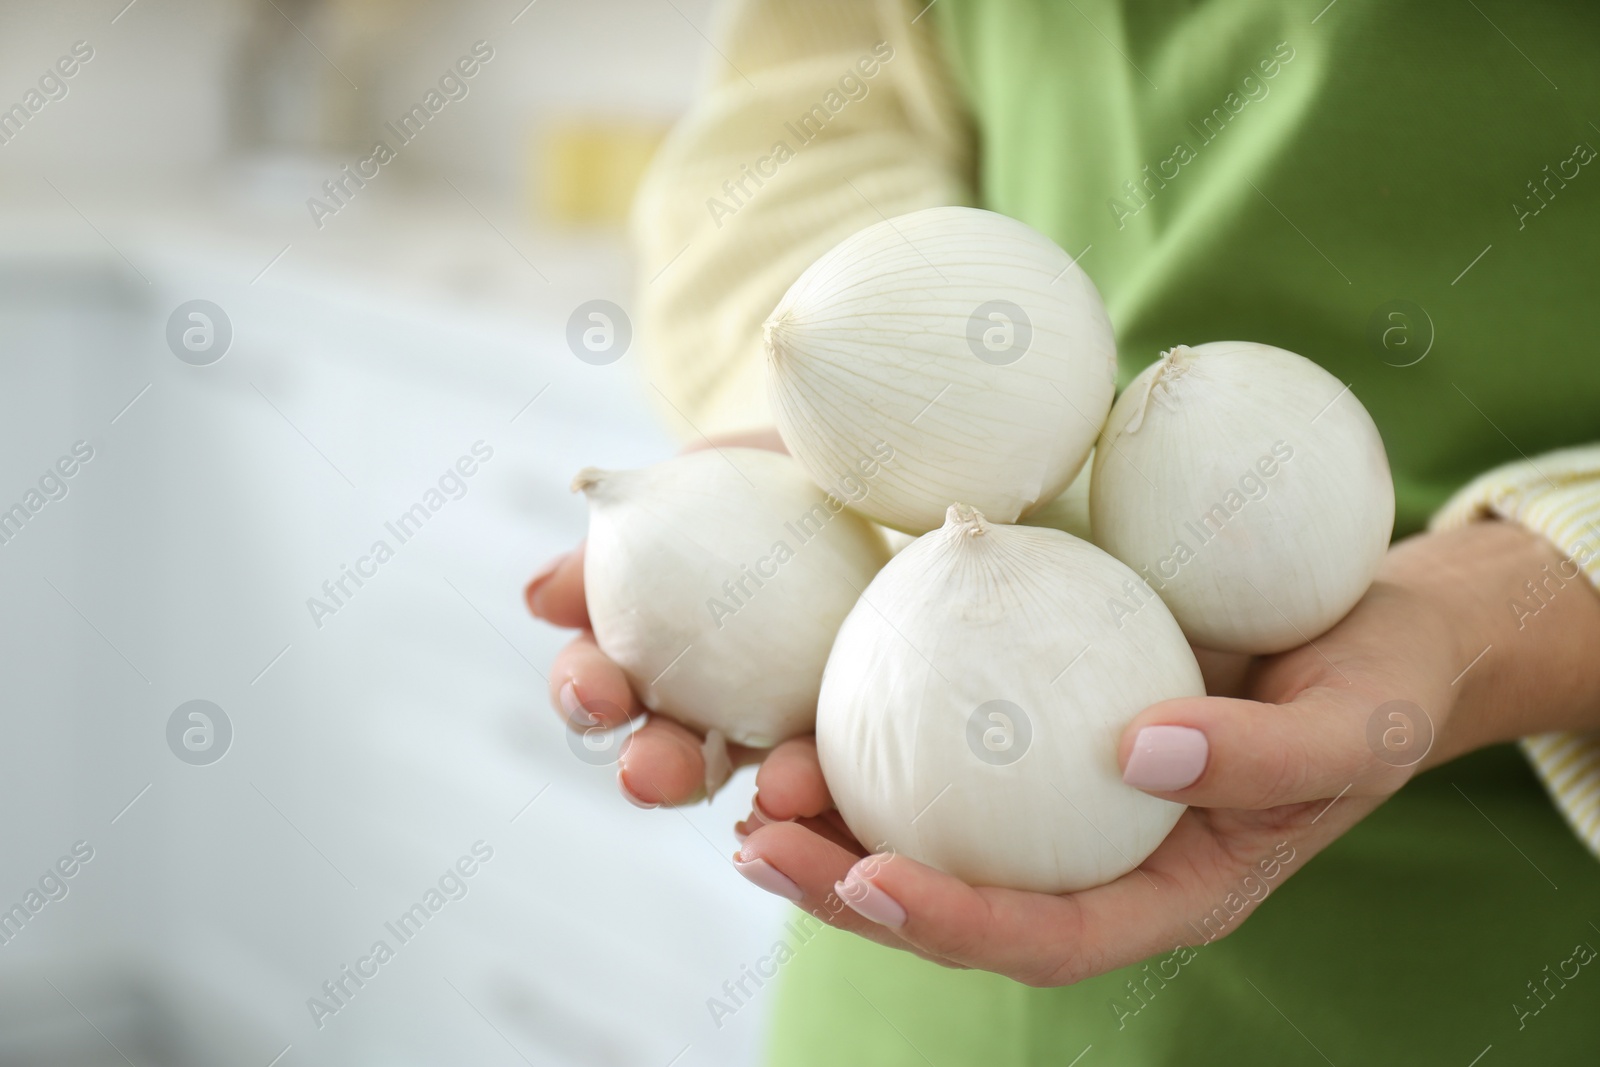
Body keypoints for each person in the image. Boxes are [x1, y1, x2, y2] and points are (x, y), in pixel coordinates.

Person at [527, 1, 1600, 1062]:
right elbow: (803, 114)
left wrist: (1515, 594)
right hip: (909, 931)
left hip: (1496, 929)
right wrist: (817, 463)